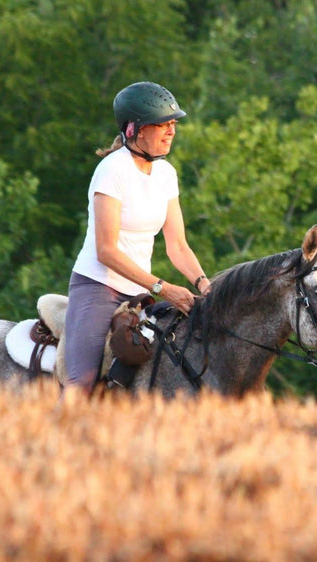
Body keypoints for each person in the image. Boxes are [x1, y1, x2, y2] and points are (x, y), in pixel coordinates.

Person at [63, 81, 210, 395]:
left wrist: (204, 285)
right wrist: (162, 287)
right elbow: (106, 251)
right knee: (81, 384)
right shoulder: (111, 171)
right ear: (135, 130)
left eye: (173, 124)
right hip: (98, 286)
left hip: (139, 294)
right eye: (163, 125)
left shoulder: (166, 174)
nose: (171, 131)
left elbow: (178, 245)